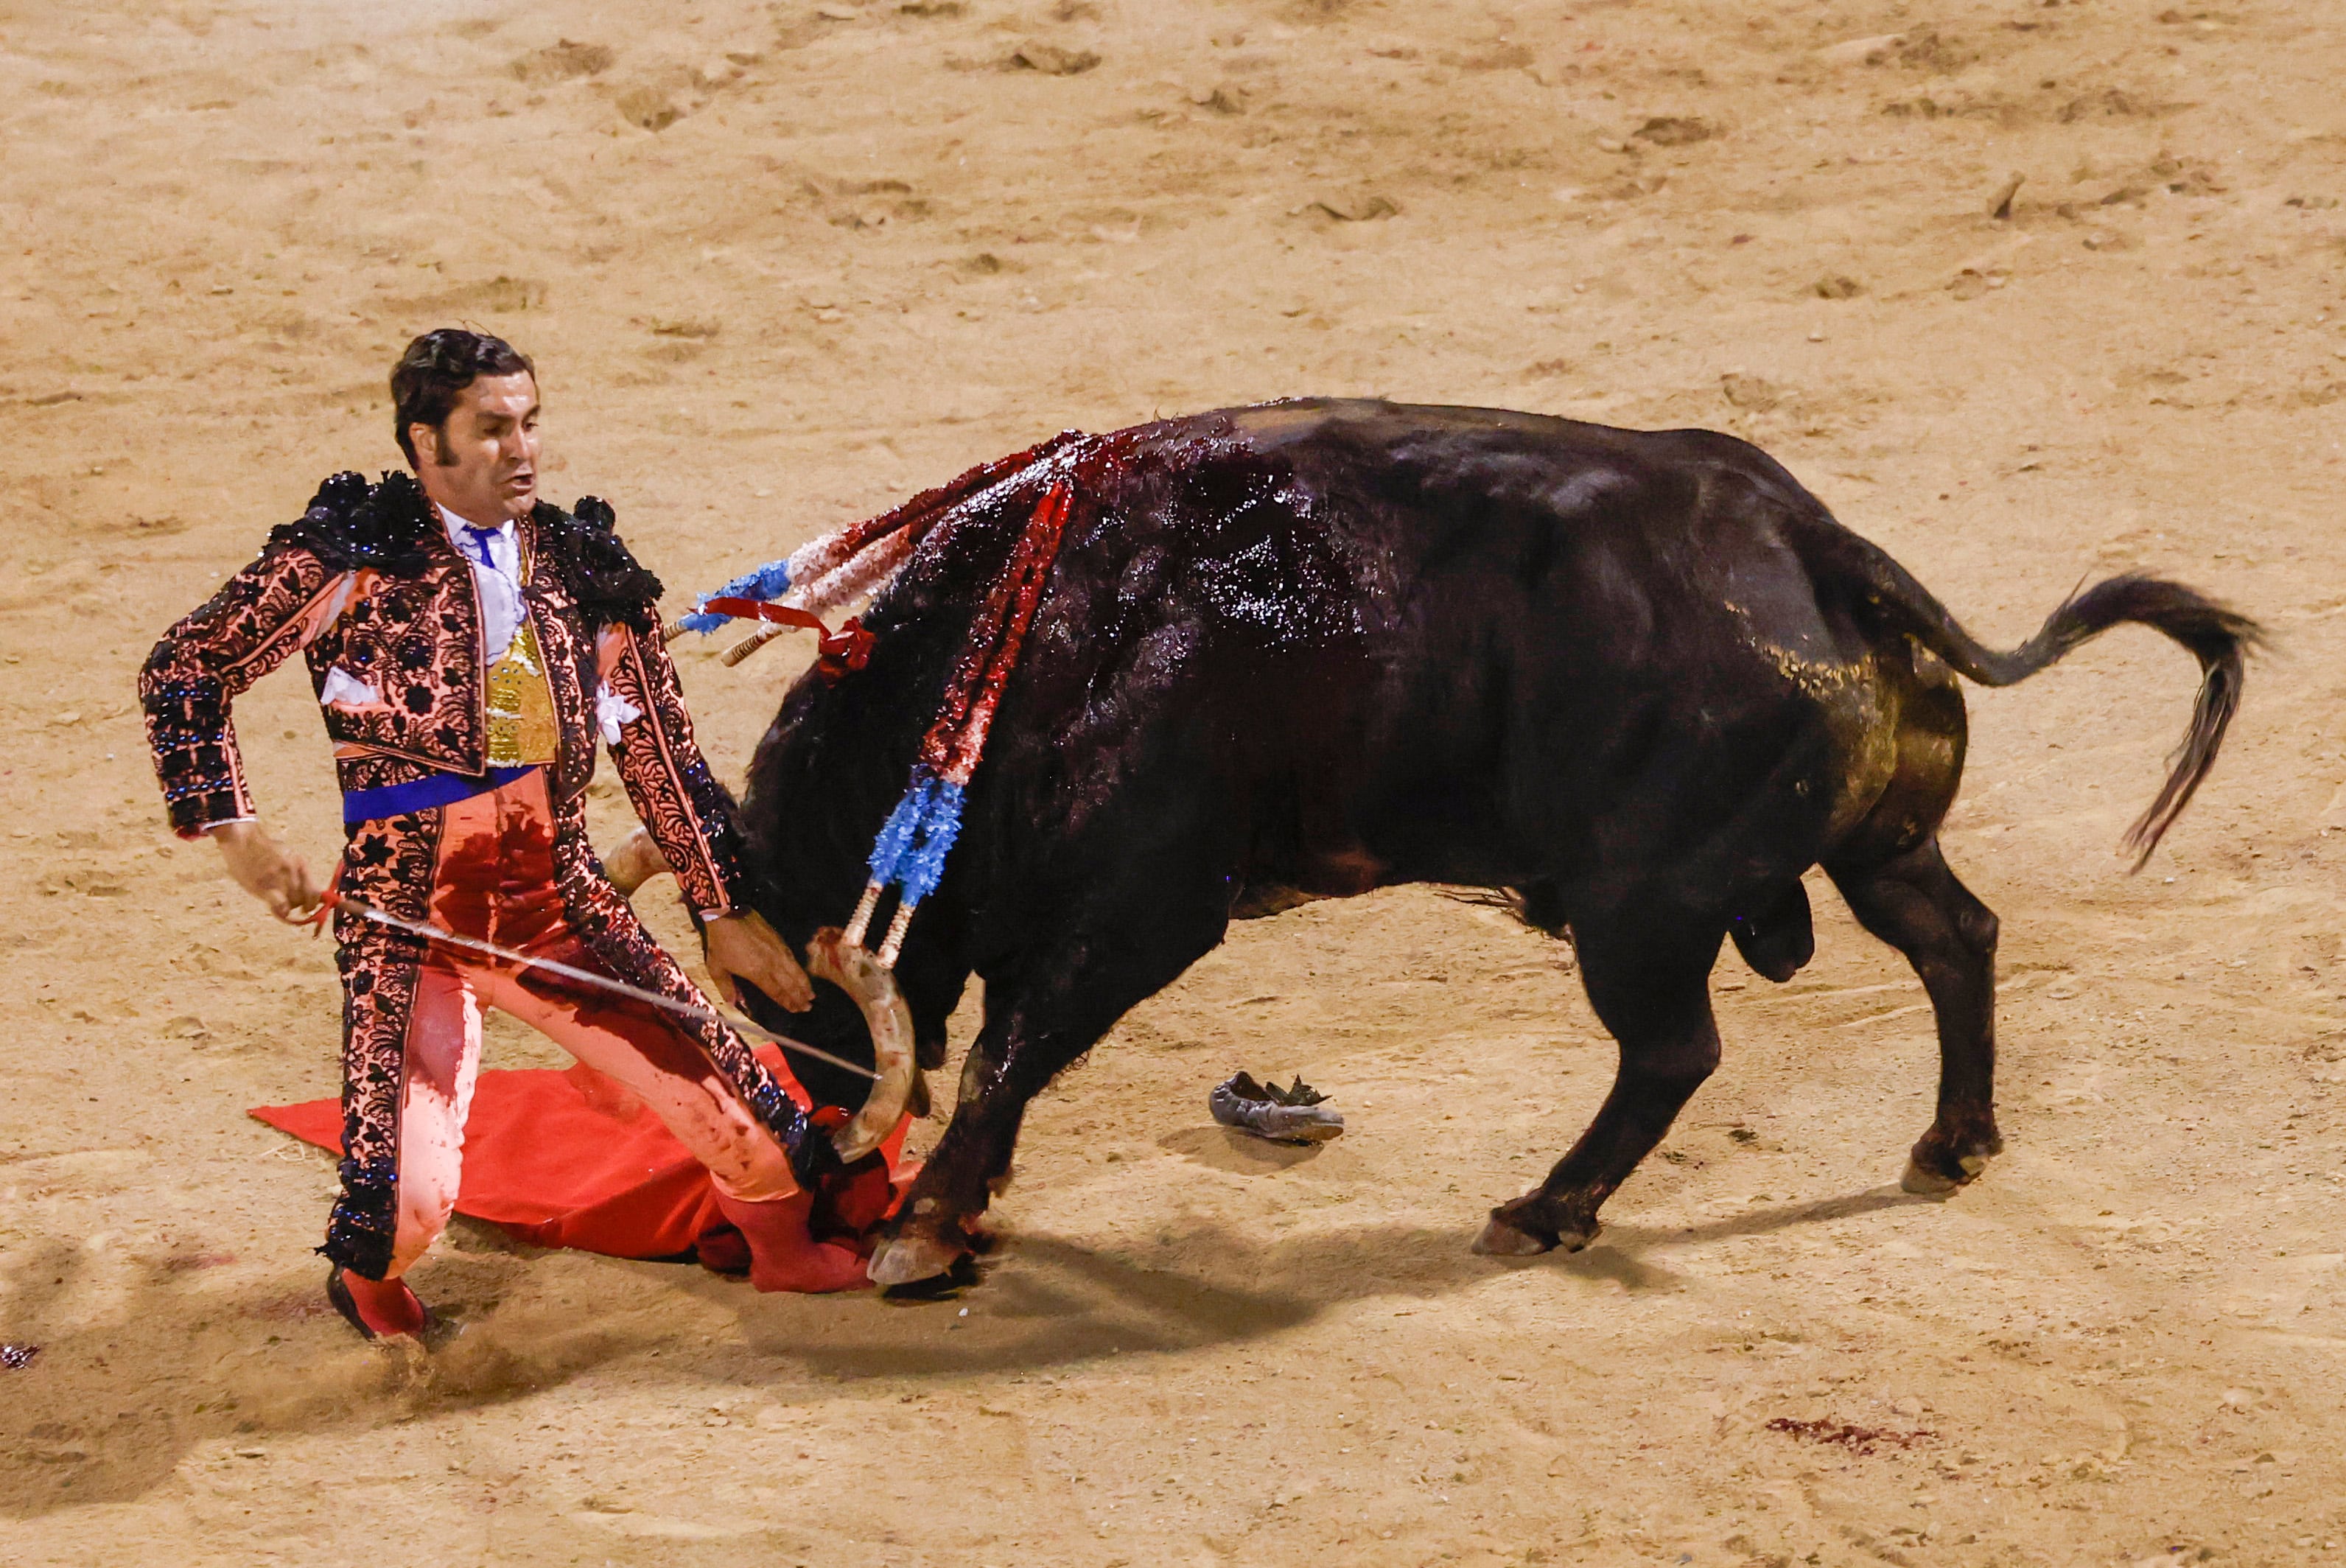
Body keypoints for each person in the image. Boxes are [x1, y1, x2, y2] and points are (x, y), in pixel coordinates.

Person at [139, 328, 869, 1340]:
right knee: (400, 1213)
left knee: (759, 1134)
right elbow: (185, 667)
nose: (521, 450)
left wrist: (719, 906)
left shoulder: (584, 569)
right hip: (406, 917)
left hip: (556, 902)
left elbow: (660, 753)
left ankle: (783, 1254)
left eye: (529, 424)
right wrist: (237, 835)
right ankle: (373, 1292)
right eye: (491, 430)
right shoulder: (351, 559)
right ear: (424, 441)